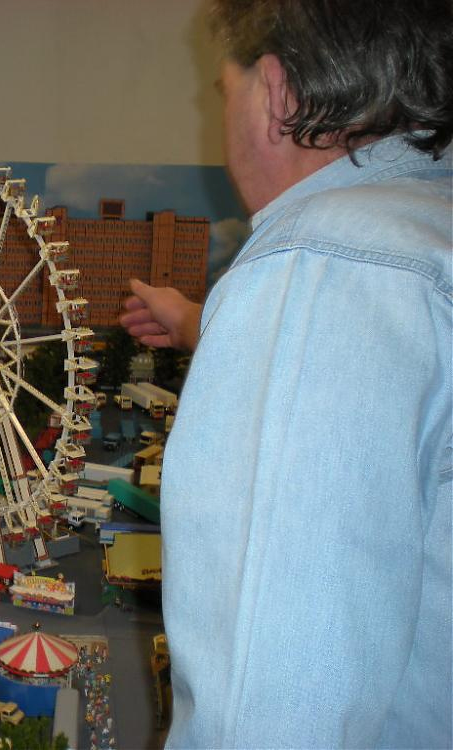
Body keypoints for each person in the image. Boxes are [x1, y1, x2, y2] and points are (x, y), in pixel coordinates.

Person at [120, 1, 452, 747]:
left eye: (223, 92)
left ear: (276, 92)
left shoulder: (320, 265)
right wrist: (202, 324)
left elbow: (270, 705)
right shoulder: (424, 231)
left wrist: (276, 307)